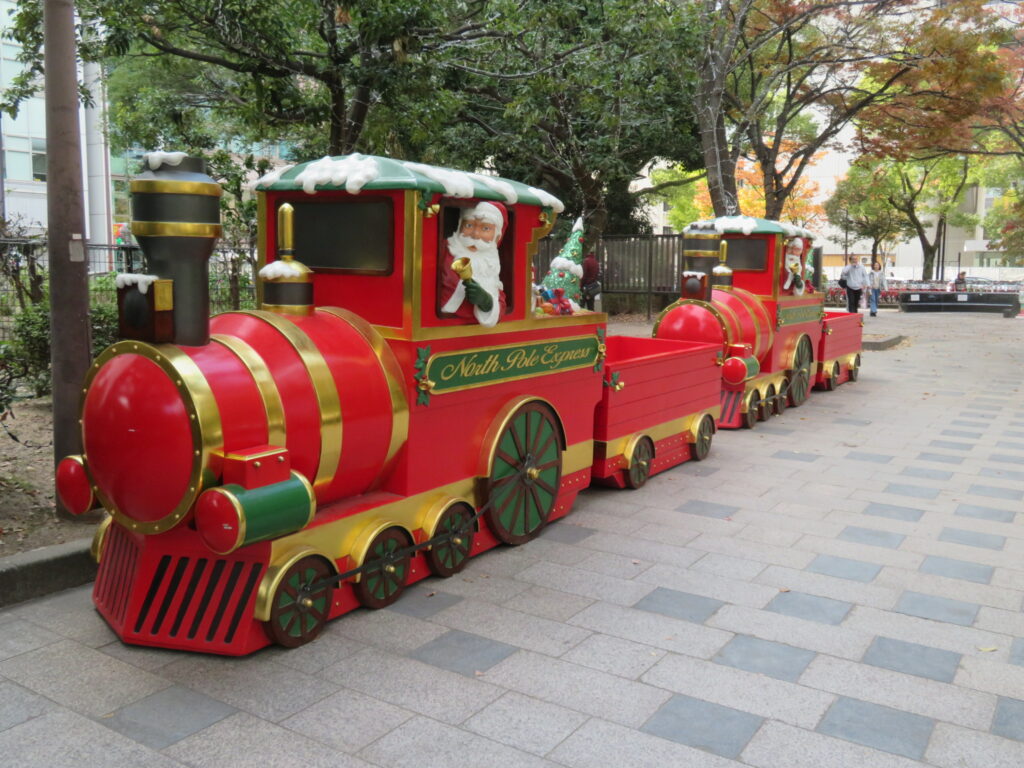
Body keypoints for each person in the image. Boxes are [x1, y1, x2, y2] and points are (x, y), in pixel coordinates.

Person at [440, 202, 507, 327]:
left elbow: (500, 300)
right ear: (460, 226)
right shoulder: (444, 251)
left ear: (497, 237)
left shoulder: (490, 262)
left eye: (485, 228)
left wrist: (486, 301)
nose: (475, 234)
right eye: (469, 225)